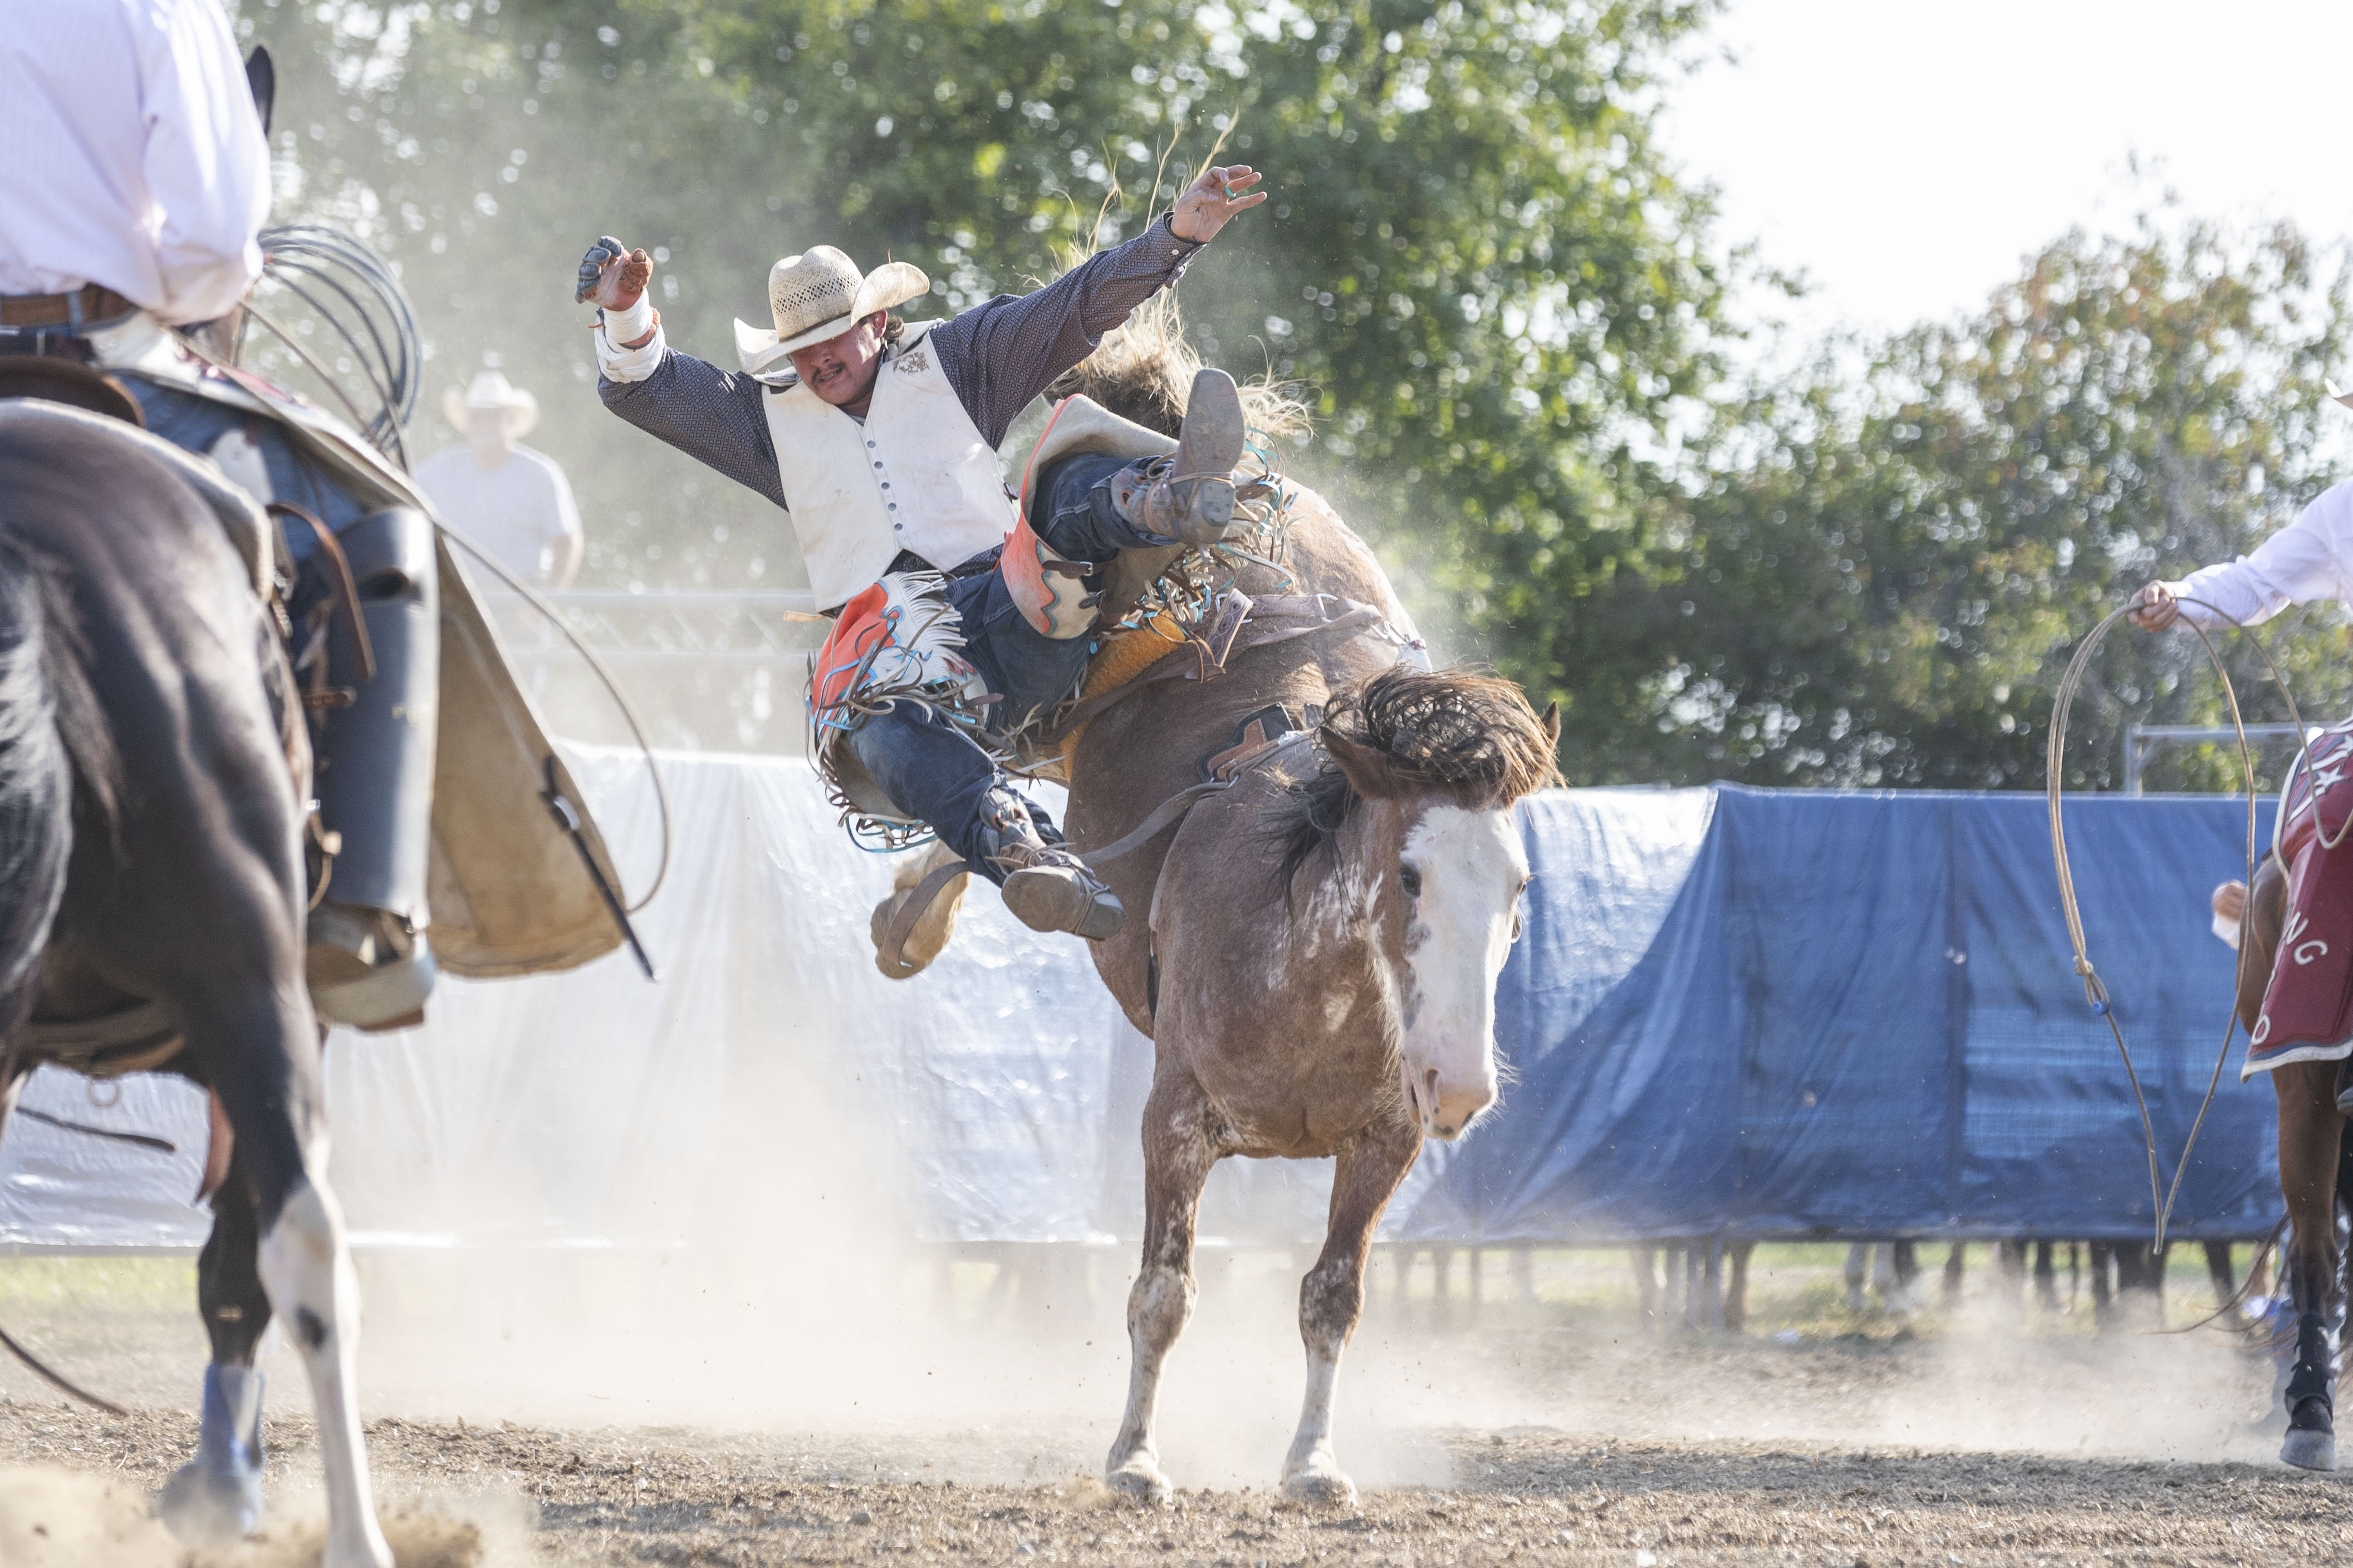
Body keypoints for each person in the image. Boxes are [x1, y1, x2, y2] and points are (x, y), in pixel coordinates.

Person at [579, 165, 1269, 942]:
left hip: (1016, 605)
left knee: (1060, 478)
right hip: (907, 663)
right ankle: (1025, 852)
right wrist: (629, 311)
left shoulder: (960, 356)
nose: (816, 359)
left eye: (830, 336)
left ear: (876, 323)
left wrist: (1174, 236)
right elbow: (653, 389)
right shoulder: (766, 421)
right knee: (869, 726)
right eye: (800, 347)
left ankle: (1170, 499)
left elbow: (1074, 307)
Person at [0, 0, 440, 1024]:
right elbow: (214, 238)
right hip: (102, 351)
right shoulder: (153, 8)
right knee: (375, 526)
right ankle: (358, 908)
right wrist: (169, 284)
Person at [415, 368, 585, 588]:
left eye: (494, 416)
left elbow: (568, 543)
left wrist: (543, 610)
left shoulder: (540, 474)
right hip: (455, 600)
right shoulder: (439, 470)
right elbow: (401, 497)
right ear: (467, 424)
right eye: (477, 416)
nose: (485, 425)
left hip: (522, 600)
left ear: (511, 422)